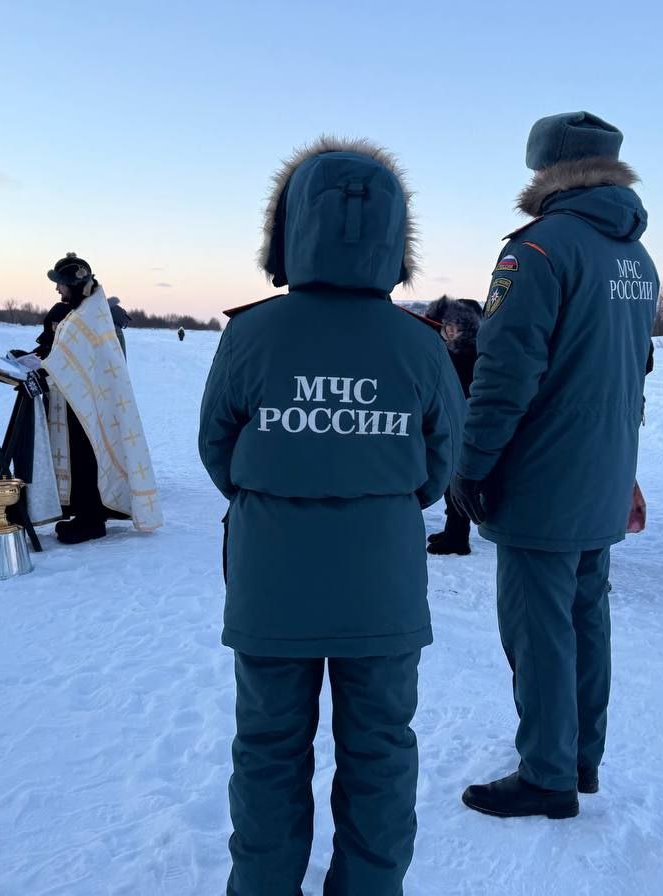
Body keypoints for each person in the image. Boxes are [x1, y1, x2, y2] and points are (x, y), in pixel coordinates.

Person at [198, 136, 464, 895]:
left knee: (268, 749)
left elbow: (217, 446)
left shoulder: (251, 334)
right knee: (380, 750)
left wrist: (276, 488)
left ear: (289, 230)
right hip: (382, 583)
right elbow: (442, 461)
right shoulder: (419, 345)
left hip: (272, 580)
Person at [451, 112, 658, 819]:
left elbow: (504, 369)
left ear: (544, 169)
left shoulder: (537, 249)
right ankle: (579, 758)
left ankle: (547, 773)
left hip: (542, 474)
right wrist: (624, 467)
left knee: (538, 627)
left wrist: (471, 464)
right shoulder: (636, 257)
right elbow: (632, 373)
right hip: (602, 470)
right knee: (585, 617)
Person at [19, 253, 162, 543]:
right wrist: (35, 360)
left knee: (87, 454)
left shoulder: (88, 316)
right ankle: (83, 512)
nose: (57, 289)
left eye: (60, 283)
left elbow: (75, 359)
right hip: (76, 398)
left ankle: (92, 520)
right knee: (78, 454)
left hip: (87, 400)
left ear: (75, 283)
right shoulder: (81, 311)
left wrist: (44, 367)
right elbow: (62, 352)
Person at [422, 295, 482, 554]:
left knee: (456, 481)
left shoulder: (469, 354)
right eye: (446, 323)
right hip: (455, 422)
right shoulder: (450, 351)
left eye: (454, 324)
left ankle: (458, 538)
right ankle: (453, 531)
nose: (448, 329)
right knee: (450, 481)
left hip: (465, 424)